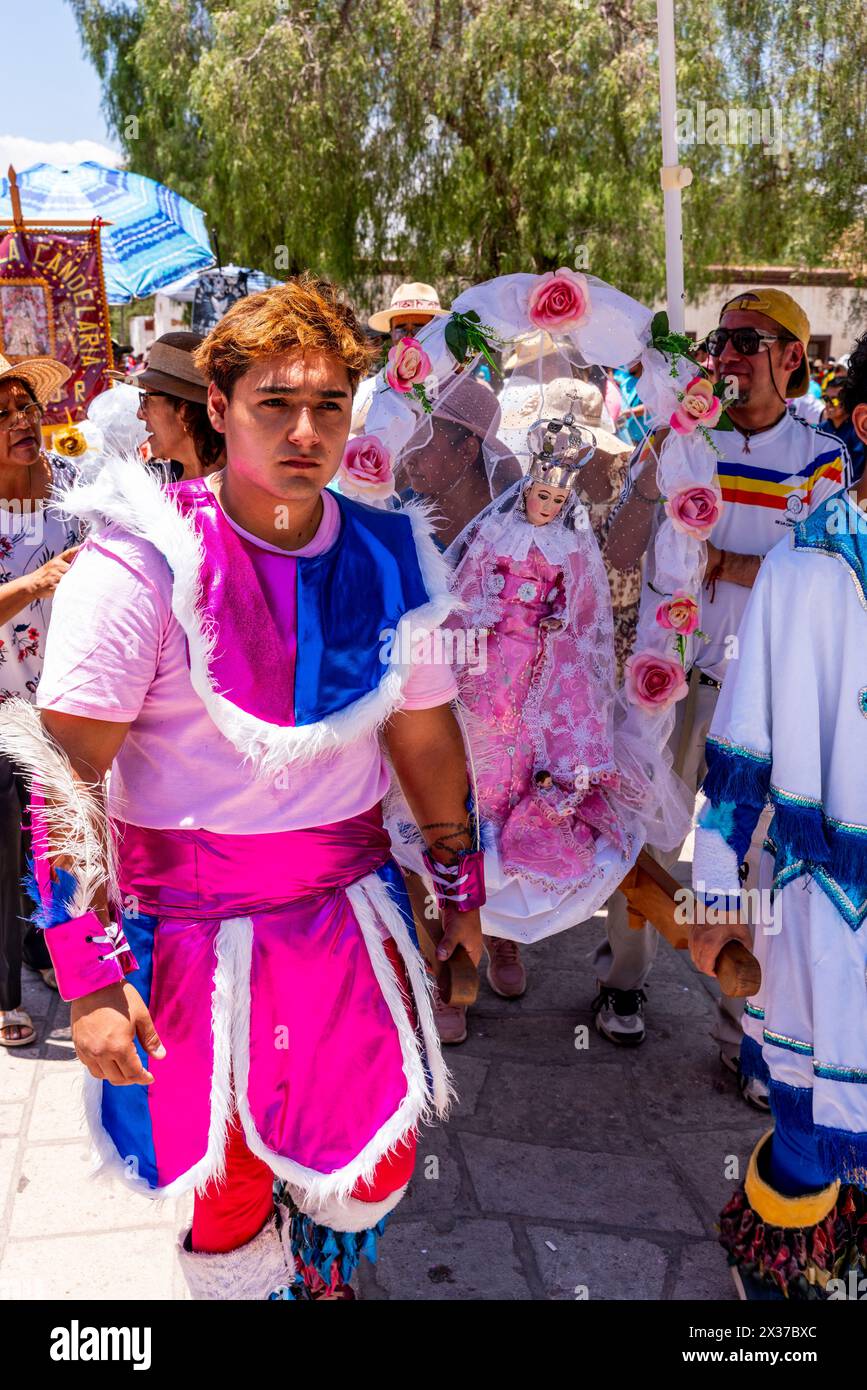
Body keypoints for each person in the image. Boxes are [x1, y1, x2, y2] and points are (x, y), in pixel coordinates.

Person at [0, 275, 484, 1300]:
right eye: (276, 403)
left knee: (368, 1160)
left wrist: (460, 885)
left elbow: (428, 738)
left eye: (328, 404)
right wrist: (85, 979)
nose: (306, 429)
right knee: (224, 1180)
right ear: (217, 410)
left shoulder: (392, 555)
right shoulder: (137, 564)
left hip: (352, 912)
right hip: (189, 928)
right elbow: (65, 773)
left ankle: (320, 1284)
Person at [597, 289, 849, 1075]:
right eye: (720, 341)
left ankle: (744, 1024)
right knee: (636, 827)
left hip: (765, 691)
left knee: (759, 852)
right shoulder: (684, 440)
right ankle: (623, 982)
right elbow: (618, 543)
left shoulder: (821, 455)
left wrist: (727, 564)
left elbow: (823, 566)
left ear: (791, 358)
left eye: (748, 340)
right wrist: (652, 464)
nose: (728, 356)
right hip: (667, 678)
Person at [689, 331, 867, 1300]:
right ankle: (774, 1283)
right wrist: (716, 892)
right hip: (825, 899)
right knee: (809, 1121)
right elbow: (741, 753)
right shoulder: (802, 571)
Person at [430, 412, 639, 1039]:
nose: (546, 507)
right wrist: (487, 623)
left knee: (526, 787)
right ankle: (455, 950)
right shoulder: (495, 536)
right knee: (470, 796)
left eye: (556, 499)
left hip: (541, 683)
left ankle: (505, 939)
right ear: (525, 493)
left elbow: (582, 614)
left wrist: (554, 629)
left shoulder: (573, 548)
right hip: (485, 676)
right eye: (540, 496)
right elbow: (466, 592)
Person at [0, 352, 80, 1046]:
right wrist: (37, 583)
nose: (22, 421)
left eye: (25, 406)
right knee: (6, 840)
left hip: (72, 696)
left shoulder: (73, 485)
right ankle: (5, 991)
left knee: (56, 833)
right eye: (1, 415)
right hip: (4, 704)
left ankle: (48, 950)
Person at [352, 282, 449, 434]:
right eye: (401, 329)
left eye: (420, 329)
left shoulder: (454, 382)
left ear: (436, 331)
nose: (409, 337)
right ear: (391, 333)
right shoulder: (373, 390)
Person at [127, 331, 225, 480]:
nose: (140, 413)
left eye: (147, 398)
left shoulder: (243, 494)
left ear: (185, 412)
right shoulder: (151, 487)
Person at [822, 370, 865, 483]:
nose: (829, 404)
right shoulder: (820, 429)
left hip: (850, 495)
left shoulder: (858, 432)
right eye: (826, 399)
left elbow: (856, 474)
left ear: (847, 400)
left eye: (834, 399)